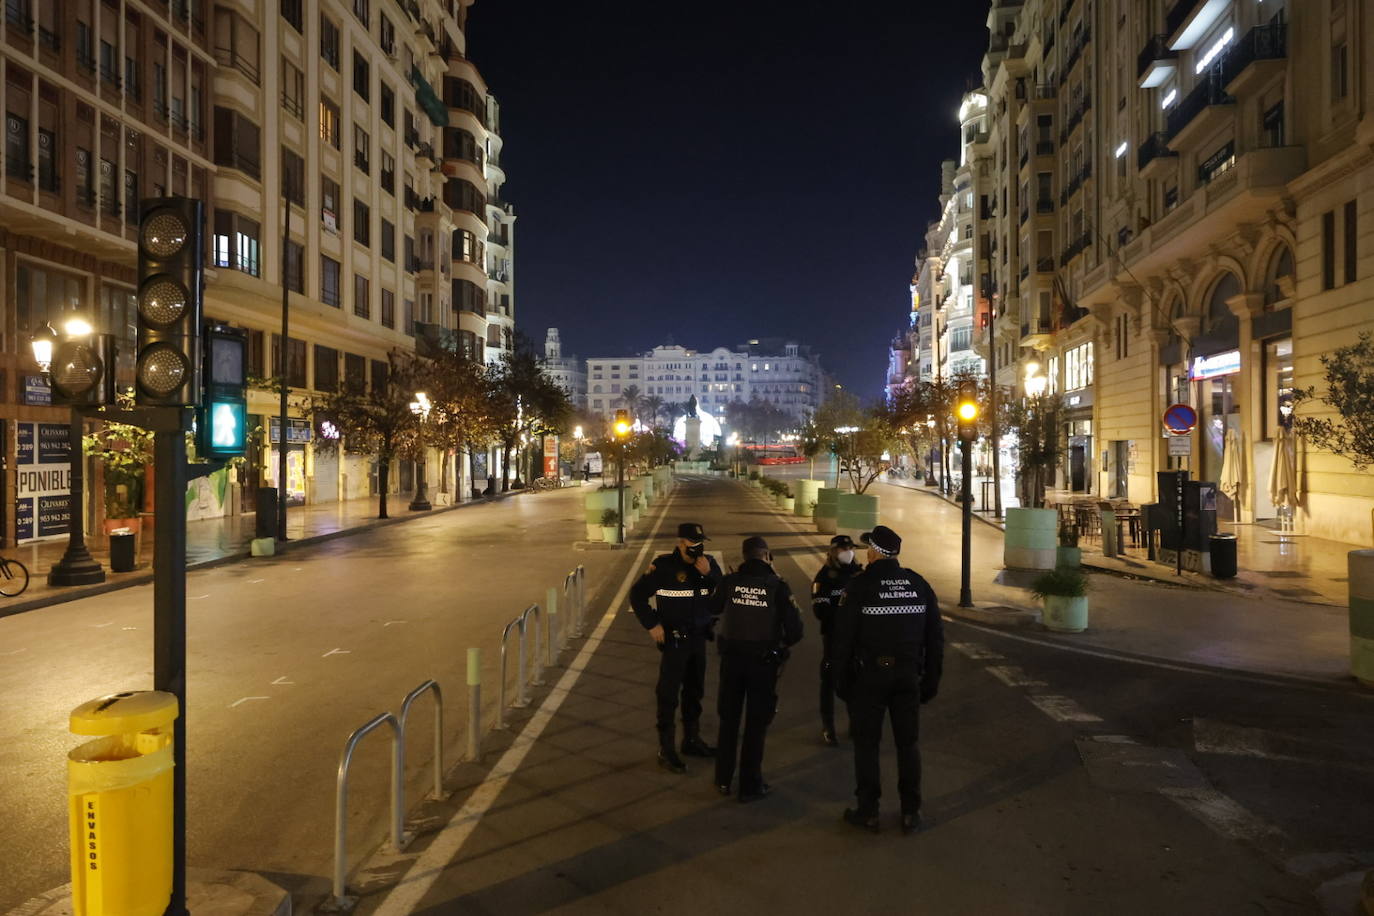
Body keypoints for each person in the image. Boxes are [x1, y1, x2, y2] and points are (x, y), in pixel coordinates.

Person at [830, 525, 943, 835]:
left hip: (870, 678)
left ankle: (868, 811)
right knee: (908, 745)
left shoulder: (860, 587)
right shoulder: (918, 585)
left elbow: (843, 640)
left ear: (874, 552)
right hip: (908, 677)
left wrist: (840, 682)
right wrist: (931, 680)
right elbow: (935, 640)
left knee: (867, 746)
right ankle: (911, 811)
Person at [709, 536, 804, 802]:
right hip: (763, 665)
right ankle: (750, 785)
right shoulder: (777, 586)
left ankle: (723, 780)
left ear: (744, 555)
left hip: (732, 662)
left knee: (728, 721)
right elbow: (796, 632)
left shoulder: (730, 582)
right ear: (766, 555)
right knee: (755, 725)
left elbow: (712, 608)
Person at [630, 522, 724, 773]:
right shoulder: (663, 567)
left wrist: (710, 575)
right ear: (680, 543)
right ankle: (666, 748)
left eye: (700, 544)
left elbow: (721, 599)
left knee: (695, 692)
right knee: (668, 695)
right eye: (692, 544)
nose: (697, 549)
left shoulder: (709, 564)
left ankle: (691, 740)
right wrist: (652, 625)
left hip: (699, 639)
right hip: (674, 641)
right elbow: (637, 596)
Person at [811, 535, 863, 746]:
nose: (847, 552)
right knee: (829, 681)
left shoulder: (859, 574)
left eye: (850, 548)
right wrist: (844, 614)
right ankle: (828, 726)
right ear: (833, 551)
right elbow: (820, 610)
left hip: (856, 639)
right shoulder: (823, 578)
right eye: (843, 548)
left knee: (855, 681)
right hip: (833, 638)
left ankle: (855, 724)